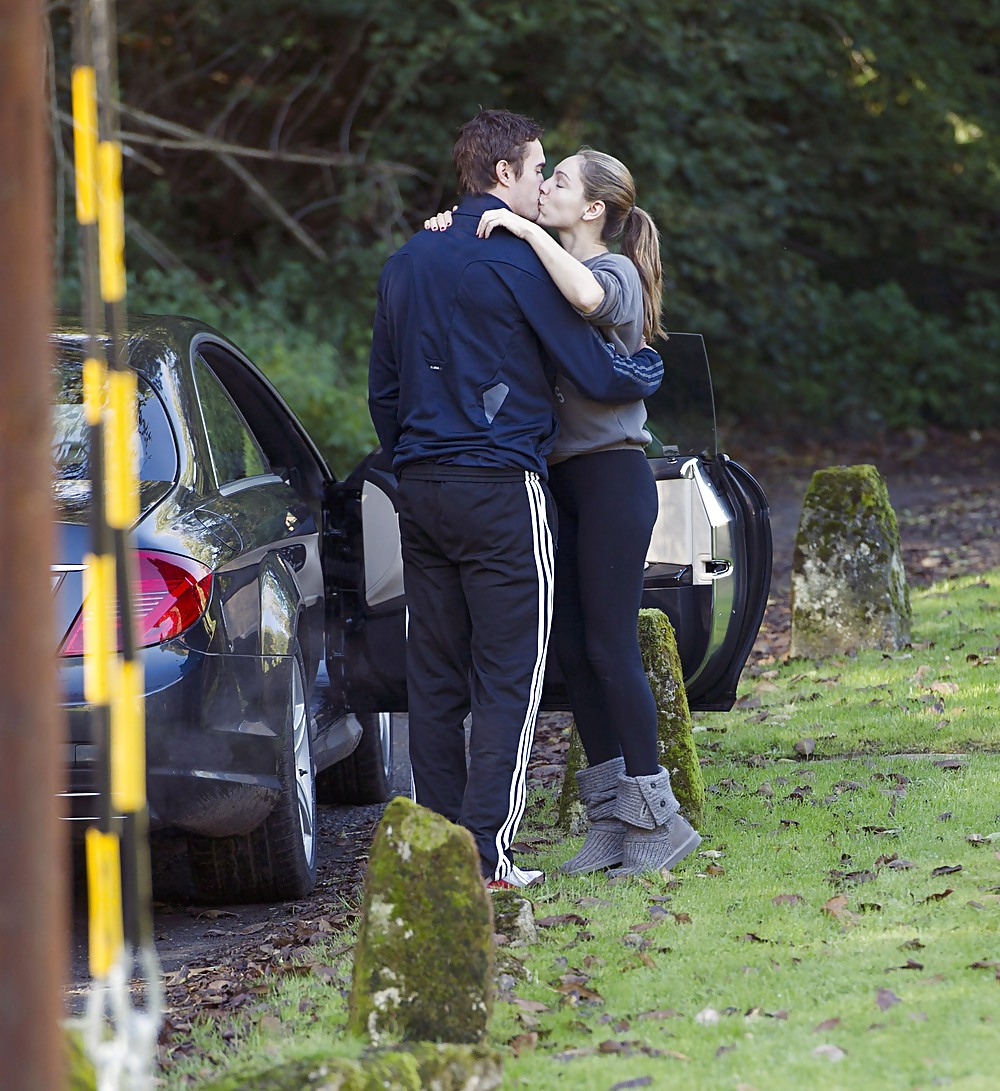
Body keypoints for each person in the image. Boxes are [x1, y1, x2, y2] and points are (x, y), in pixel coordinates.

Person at [368, 110, 664, 890]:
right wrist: (646, 376)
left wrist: (409, 462)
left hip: (421, 487)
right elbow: (596, 371)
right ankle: (486, 860)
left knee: (431, 674)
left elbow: (385, 389)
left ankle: (435, 851)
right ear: (505, 175)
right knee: (512, 670)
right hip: (498, 486)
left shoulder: (407, 259)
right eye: (540, 170)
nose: (543, 183)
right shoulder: (518, 263)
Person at [425, 147, 701, 877]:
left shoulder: (615, 273)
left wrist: (523, 232)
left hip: (612, 476)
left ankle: (659, 818)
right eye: (542, 177)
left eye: (558, 182)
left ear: (593, 211)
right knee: (575, 654)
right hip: (560, 480)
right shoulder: (542, 270)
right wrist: (456, 228)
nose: (542, 188)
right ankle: (612, 820)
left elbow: (586, 299)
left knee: (610, 646)